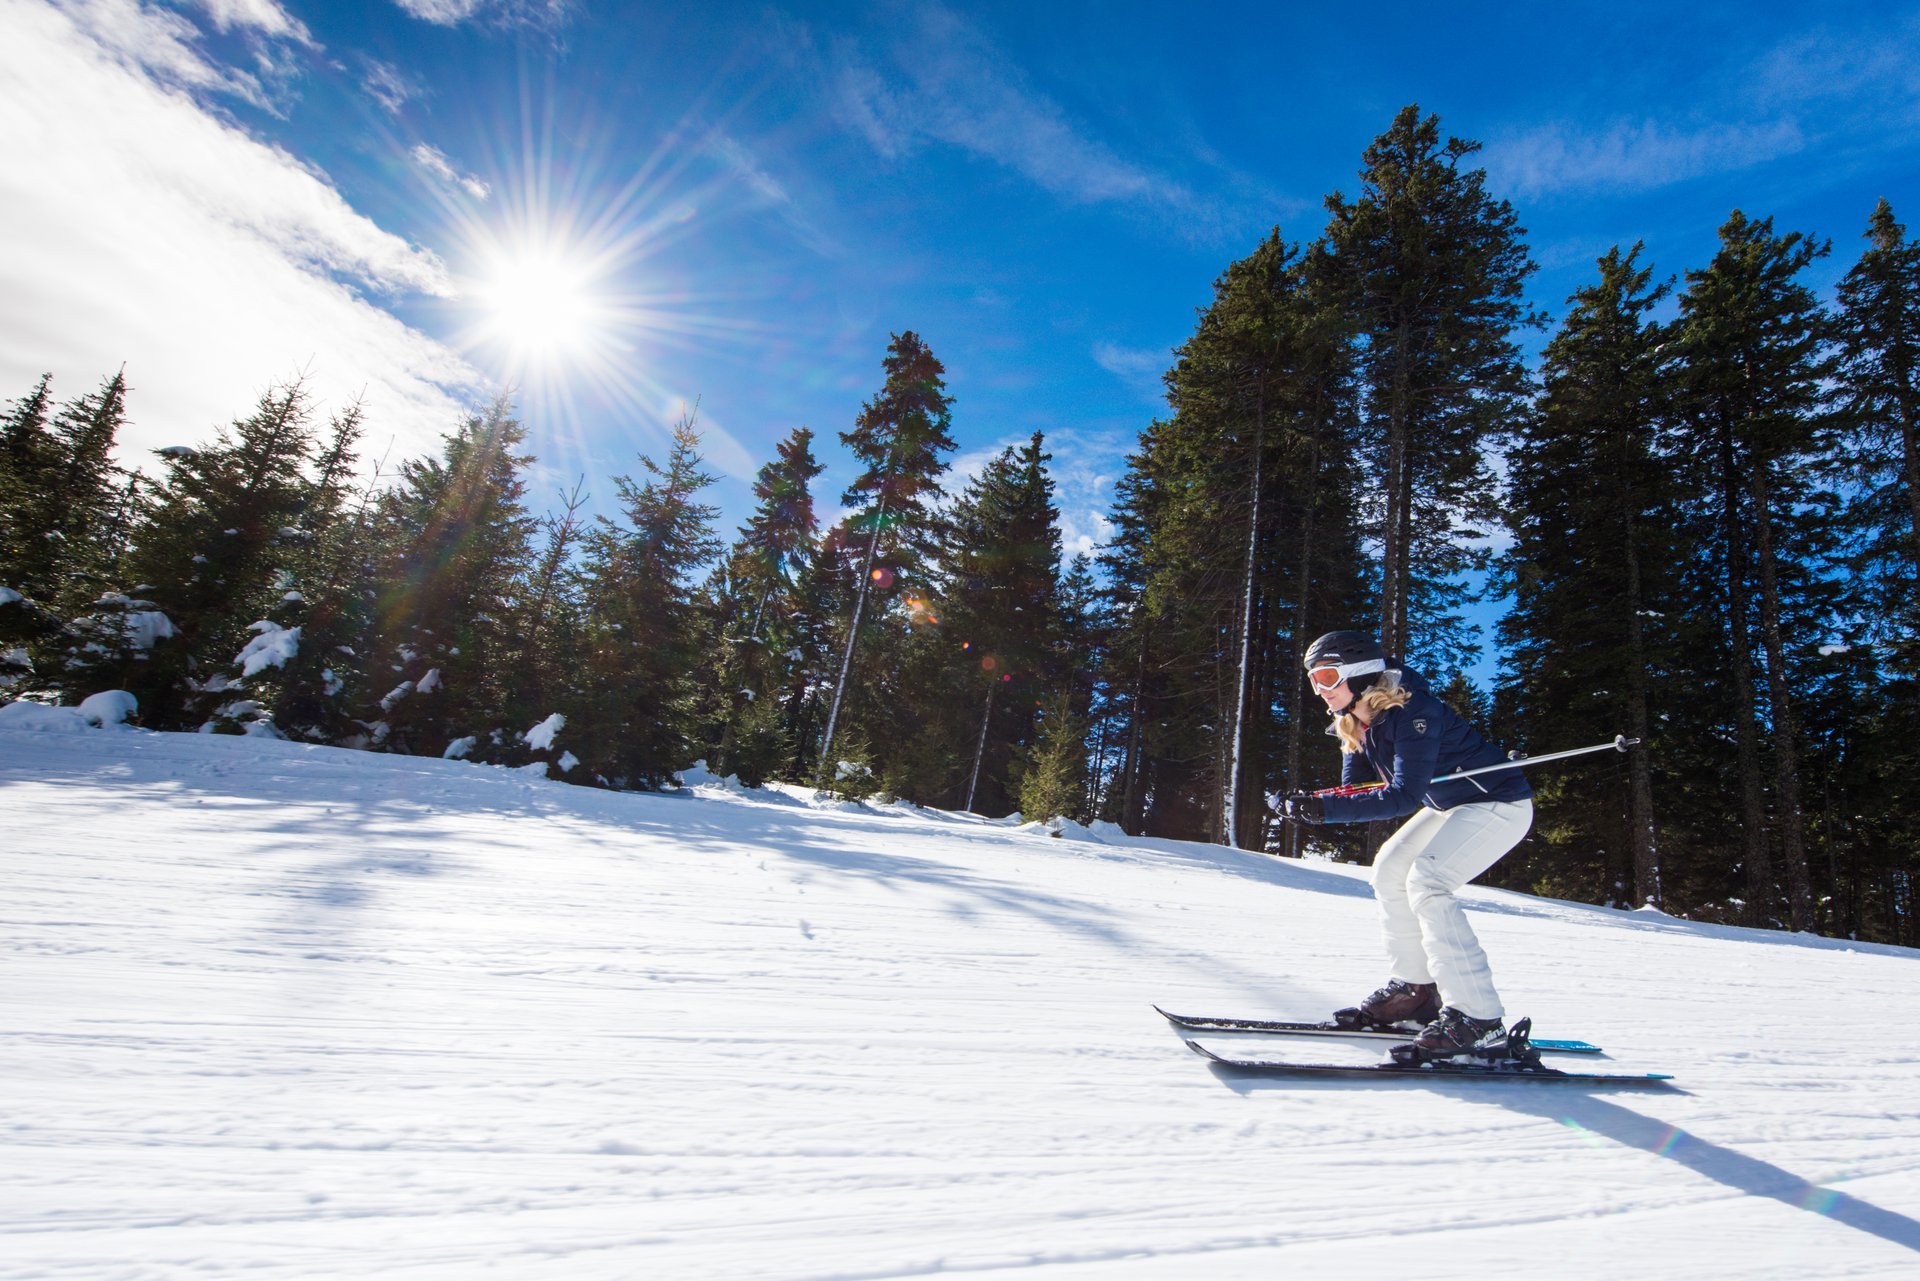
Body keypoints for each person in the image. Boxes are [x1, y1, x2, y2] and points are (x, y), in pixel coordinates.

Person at [1271, 630, 1534, 1057]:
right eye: (1314, 680)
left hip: (1497, 803)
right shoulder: (1356, 718)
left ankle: (1480, 1018)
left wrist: (1324, 810)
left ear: (1357, 674)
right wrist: (1312, 802)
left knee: (1428, 881)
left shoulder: (1415, 712)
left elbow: (1402, 797)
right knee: (1389, 869)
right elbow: (1359, 789)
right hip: (1450, 805)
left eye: (1327, 676)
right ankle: (1416, 992)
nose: (1320, 689)